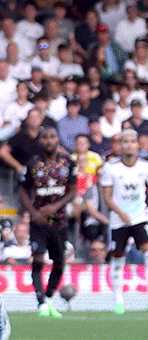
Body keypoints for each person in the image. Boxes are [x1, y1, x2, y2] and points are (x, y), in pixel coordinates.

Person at [100, 129, 148, 314]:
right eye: (125, 141)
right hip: (118, 220)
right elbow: (107, 197)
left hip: (139, 218)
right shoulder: (111, 167)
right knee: (118, 259)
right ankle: (119, 301)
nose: (129, 145)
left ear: (138, 145)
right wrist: (120, 213)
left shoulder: (145, 167)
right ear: (120, 145)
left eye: (132, 141)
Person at [21, 126, 76, 317]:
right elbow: (23, 191)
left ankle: (49, 297)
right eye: (45, 137)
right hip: (39, 222)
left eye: (52, 137)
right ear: (40, 141)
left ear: (57, 140)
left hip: (59, 221)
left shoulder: (67, 163)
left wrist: (55, 206)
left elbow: (73, 190)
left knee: (59, 261)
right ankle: (40, 302)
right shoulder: (33, 164)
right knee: (37, 259)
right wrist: (34, 213)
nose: (49, 140)